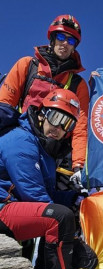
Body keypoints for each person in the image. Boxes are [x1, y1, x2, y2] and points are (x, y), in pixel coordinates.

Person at [0, 89, 87, 269]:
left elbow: (47, 193)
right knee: (58, 219)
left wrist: (74, 200)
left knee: (65, 214)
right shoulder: (20, 140)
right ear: (41, 114)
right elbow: (33, 194)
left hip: (12, 206)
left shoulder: (43, 148)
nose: (59, 128)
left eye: (66, 123)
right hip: (3, 207)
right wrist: (74, 242)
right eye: (56, 117)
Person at [0, 15, 89, 173]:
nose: (65, 44)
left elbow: (80, 128)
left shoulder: (78, 84)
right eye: (61, 37)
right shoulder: (27, 65)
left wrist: (78, 165)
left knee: (64, 195)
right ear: (52, 39)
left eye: (71, 41)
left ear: (75, 46)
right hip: (23, 139)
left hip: (57, 153)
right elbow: (4, 106)